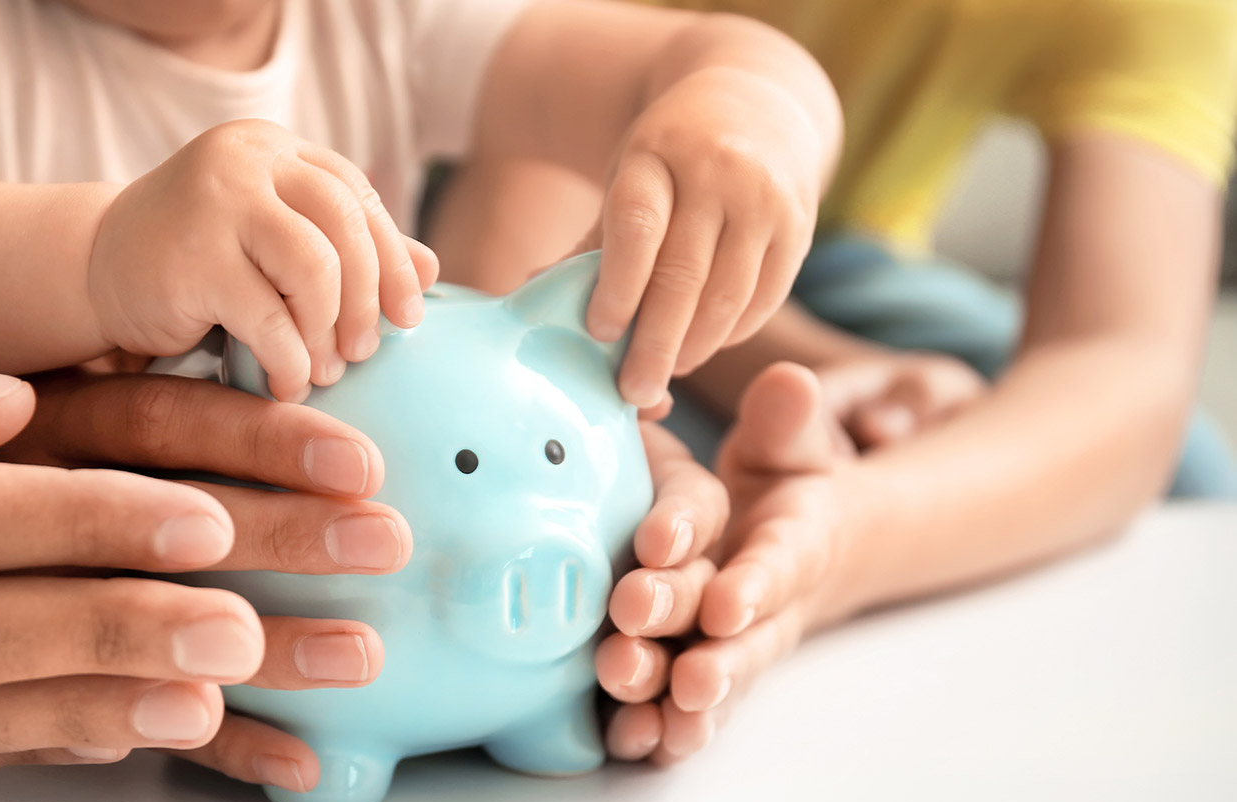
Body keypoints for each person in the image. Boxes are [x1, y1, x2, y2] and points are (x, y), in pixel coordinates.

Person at [0, 0, 819, 785]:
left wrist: (747, 107)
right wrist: (98, 256)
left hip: (313, 643)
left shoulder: (383, 20)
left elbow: (698, 51)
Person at [426, 0, 1237, 761]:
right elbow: (519, 277)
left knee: (1190, 474)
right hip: (593, 254)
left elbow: (1124, 364)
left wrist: (841, 543)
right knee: (634, 531)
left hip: (834, 268)